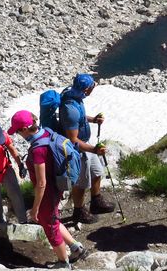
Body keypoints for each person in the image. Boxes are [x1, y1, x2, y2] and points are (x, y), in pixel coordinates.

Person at [9, 110, 86, 269]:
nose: (17, 134)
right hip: (57, 186)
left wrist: (35, 208)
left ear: (24, 129)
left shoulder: (38, 150)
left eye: (17, 131)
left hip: (47, 193)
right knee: (54, 220)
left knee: (49, 225)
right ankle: (75, 248)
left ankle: (63, 263)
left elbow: (41, 183)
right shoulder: (47, 133)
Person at [59, 73, 112, 224]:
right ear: (86, 89)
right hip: (79, 150)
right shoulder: (71, 109)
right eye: (92, 86)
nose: (93, 88)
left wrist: (93, 120)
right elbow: (72, 139)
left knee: (96, 172)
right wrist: (94, 149)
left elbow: (80, 118)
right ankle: (79, 211)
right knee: (81, 182)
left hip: (86, 144)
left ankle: (96, 201)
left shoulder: (75, 96)